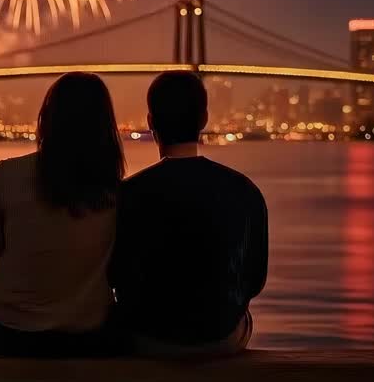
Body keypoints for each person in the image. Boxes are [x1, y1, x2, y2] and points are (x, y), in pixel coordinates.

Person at [110, 71, 268, 357]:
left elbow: (114, 276)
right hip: (219, 337)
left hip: (146, 337)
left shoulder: (127, 194)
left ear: (150, 121)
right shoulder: (244, 190)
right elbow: (254, 281)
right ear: (204, 119)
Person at [0, 72, 126, 356]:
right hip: (87, 333)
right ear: (105, 126)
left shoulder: (5, 174)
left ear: (47, 118)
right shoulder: (117, 193)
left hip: (7, 330)